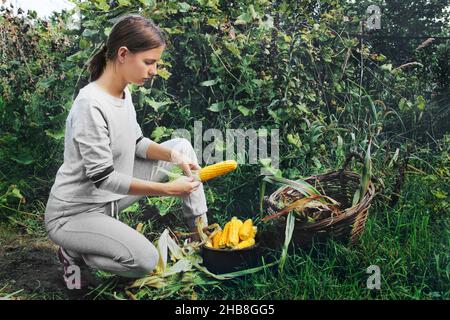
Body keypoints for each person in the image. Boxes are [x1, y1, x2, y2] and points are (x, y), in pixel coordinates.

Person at [44, 14, 208, 288]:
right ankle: (75, 251)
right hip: (74, 212)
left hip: (110, 200)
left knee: (182, 146)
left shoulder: (124, 93)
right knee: (145, 260)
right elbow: (104, 177)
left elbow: (136, 143)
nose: (154, 70)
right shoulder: (90, 104)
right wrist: (170, 189)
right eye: (149, 62)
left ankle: (200, 237)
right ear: (123, 54)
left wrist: (174, 157)